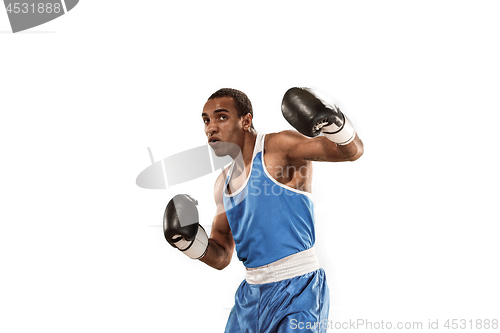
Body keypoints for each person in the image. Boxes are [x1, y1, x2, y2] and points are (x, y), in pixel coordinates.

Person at [163, 87, 364, 332]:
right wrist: (188, 243)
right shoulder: (222, 184)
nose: (210, 127)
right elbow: (222, 256)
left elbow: (350, 151)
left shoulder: (279, 147)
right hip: (250, 297)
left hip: (298, 289)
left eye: (221, 117)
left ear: (246, 120)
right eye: (206, 120)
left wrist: (336, 124)